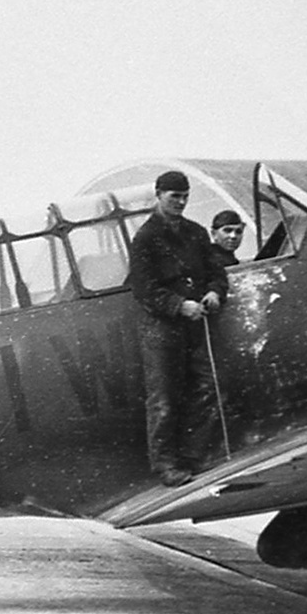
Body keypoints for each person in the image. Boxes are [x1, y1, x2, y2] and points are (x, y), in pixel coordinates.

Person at [129, 170, 230, 486]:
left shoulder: (197, 233)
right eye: (175, 196)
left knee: (208, 385)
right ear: (159, 195)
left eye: (185, 196)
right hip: (161, 328)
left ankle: (192, 456)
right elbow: (144, 290)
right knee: (163, 400)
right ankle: (165, 467)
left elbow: (217, 272)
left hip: (193, 326)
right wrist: (178, 305)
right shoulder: (145, 238)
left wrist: (215, 291)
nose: (181, 202)